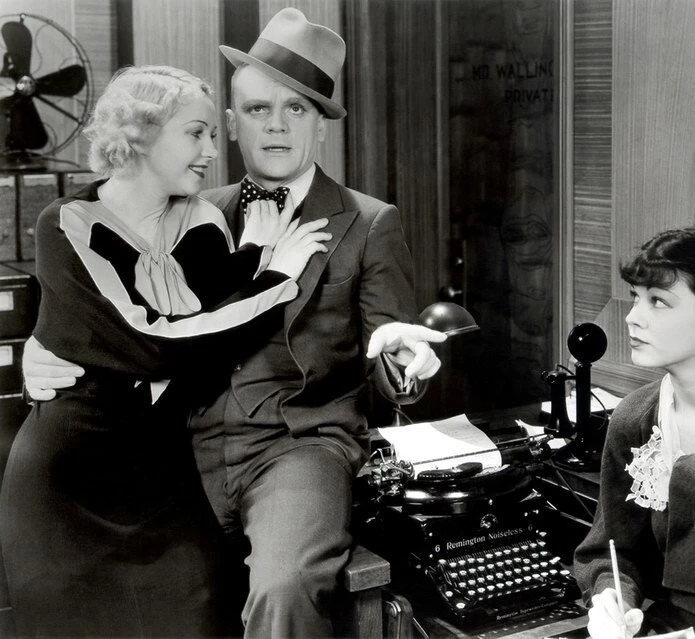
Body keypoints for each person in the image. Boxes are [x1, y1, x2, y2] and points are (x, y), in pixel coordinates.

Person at [22, 9, 447, 638]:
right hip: (173, 449)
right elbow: (110, 314)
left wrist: (398, 357)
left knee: (284, 585)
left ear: (322, 126)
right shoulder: (188, 210)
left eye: (297, 109)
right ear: (229, 123)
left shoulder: (369, 222)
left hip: (296, 451)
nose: (276, 125)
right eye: (257, 109)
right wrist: (39, 350)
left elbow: (392, 346)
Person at [0, 64, 333, 638]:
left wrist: (253, 264)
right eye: (196, 133)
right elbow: (154, 347)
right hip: (67, 487)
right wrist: (276, 276)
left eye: (212, 134)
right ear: (140, 134)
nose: (212, 151)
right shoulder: (68, 222)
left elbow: (211, 348)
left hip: (162, 480)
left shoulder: (203, 221)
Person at [574, 227, 695, 637]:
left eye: (658, 301)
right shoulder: (635, 417)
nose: (631, 316)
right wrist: (613, 598)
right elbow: (613, 551)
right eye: (635, 297)